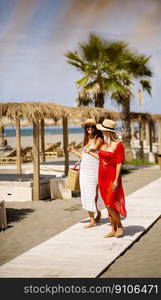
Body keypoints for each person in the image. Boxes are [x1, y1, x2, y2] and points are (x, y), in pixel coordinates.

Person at [85, 119, 127, 237]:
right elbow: (101, 158)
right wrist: (89, 153)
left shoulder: (118, 144)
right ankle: (113, 230)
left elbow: (119, 163)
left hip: (112, 175)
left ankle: (120, 226)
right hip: (102, 175)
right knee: (107, 203)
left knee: (110, 203)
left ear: (109, 132)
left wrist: (116, 180)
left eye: (103, 130)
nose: (101, 132)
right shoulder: (104, 144)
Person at [68, 118, 105, 228]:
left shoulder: (99, 139)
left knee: (96, 194)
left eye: (92, 127)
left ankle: (98, 212)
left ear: (95, 128)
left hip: (95, 170)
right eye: (88, 127)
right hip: (84, 171)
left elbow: (95, 151)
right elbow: (85, 156)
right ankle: (92, 219)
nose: (90, 128)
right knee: (87, 194)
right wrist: (74, 151)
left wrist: (90, 149)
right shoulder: (86, 140)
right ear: (85, 128)